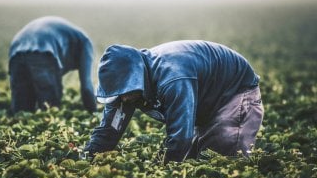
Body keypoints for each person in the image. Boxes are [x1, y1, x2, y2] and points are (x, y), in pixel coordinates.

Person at [84, 40, 264, 163]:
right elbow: (109, 130)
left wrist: (162, 170)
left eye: (125, 91)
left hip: (235, 91)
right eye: (118, 93)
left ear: (136, 78)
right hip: (205, 98)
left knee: (224, 156)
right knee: (198, 159)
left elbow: (180, 136)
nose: (123, 99)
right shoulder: (128, 90)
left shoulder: (173, 77)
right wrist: (88, 157)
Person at [8, 16, 97, 114]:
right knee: (50, 109)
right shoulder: (86, 44)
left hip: (16, 48)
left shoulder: (72, 38)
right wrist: (93, 112)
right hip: (43, 48)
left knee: (21, 111)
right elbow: (87, 87)